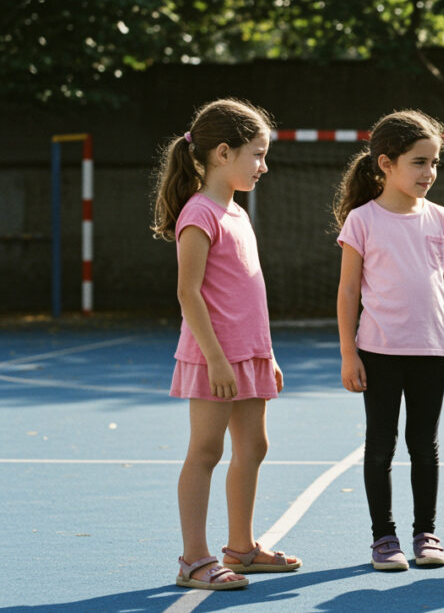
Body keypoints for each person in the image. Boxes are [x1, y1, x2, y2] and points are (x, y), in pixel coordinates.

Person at [151, 98, 301, 590]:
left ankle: (241, 548)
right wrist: (216, 359)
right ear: (221, 153)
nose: (263, 165)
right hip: (213, 357)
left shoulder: (236, 212)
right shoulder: (199, 214)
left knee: (254, 445)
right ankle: (194, 559)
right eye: (256, 154)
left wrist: (267, 353)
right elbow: (187, 292)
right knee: (206, 451)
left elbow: (248, 291)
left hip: (250, 353)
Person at [335, 110, 444, 572]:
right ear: (386, 163)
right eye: (419, 162)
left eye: (434, 163)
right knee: (380, 445)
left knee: (423, 444)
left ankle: (425, 533)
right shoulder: (362, 220)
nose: (429, 172)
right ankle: (383, 538)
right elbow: (348, 290)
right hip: (378, 352)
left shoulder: (442, 219)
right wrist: (349, 352)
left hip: (430, 351)